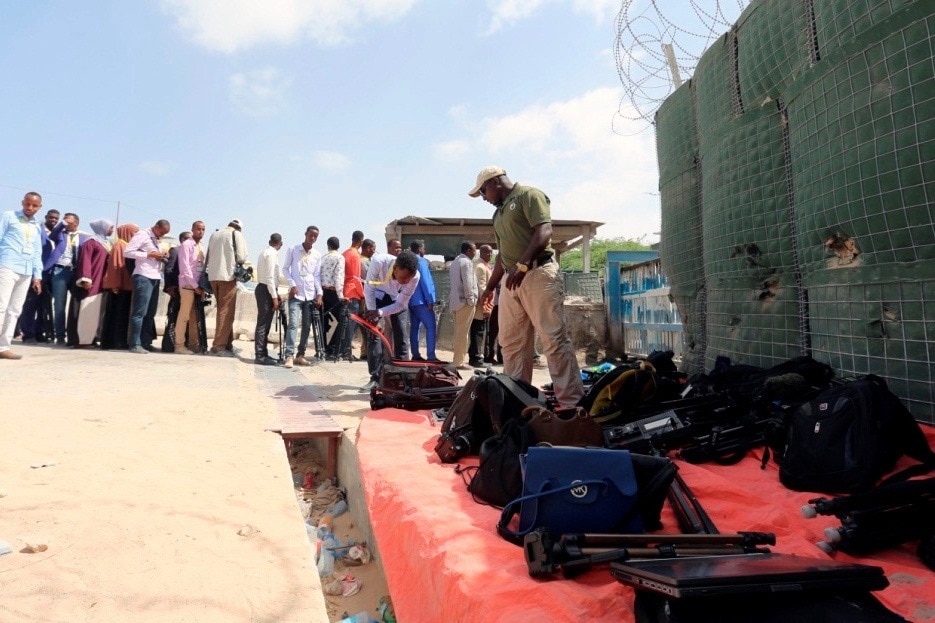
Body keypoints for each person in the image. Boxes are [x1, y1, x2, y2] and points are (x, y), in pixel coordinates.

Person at [470, 165, 584, 408]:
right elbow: (503, 256)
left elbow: (544, 232)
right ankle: (518, 401)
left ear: (495, 183)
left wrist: (522, 266)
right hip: (512, 280)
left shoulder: (529, 195)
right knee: (512, 343)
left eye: (483, 192)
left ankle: (572, 405)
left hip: (537, 274)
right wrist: (490, 288)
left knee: (553, 339)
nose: (484, 198)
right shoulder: (498, 215)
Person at [362, 249, 421, 390]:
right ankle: (375, 378)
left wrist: (381, 312)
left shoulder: (415, 277)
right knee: (374, 335)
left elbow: (400, 304)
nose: (406, 282)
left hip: (397, 300)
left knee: (401, 334)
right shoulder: (379, 262)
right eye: (404, 278)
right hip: (376, 296)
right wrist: (373, 314)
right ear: (395, 268)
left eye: (409, 279)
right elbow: (369, 289)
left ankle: (404, 379)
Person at [0, 192, 44, 360]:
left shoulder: (36, 226)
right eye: (27, 204)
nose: (30, 208)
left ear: (39, 207)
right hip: (7, 265)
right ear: (22, 203)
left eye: (34, 205)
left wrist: (37, 276)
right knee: (1, 306)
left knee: (14, 310)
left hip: (25, 271)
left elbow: (37, 252)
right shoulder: (9, 216)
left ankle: (3, 347)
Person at [124, 219, 171, 354]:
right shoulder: (142, 235)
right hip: (143, 276)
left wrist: (161, 255)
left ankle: (145, 342)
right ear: (156, 227)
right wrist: (148, 254)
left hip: (155, 277)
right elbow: (127, 252)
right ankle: (135, 344)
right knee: (139, 312)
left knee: (150, 313)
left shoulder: (155, 239)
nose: (161, 235)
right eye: (161, 232)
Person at [281, 225, 323, 368]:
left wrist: (320, 293)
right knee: (293, 323)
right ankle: (289, 356)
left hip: (310, 294)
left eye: (315, 236)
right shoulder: (293, 249)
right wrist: (292, 284)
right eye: (311, 235)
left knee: (307, 326)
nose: (312, 238)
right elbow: (285, 269)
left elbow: (316, 275)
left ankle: (301, 355)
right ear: (305, 234)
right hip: (296, 294)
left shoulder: (317, 255)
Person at [206, 219, 248, 356]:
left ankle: (228, 344)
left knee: (224, 311)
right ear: (239, 228)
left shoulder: (215, 234)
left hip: (213, 276)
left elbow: (208, 255)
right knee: (226, 312)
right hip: (227, 276)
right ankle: (218, 347)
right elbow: (241, 257)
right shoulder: (237, 234)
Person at [19, 208, 59, 343]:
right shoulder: (38, 230)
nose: (53, 220)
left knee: (44, 306)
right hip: (36, 273)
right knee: (31, 305)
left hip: (49, 275)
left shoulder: (59, 234)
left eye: (56, 219)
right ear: (46, 217)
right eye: (51, 217)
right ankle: (28, 333)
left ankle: (39, 332)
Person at [73, 219, 114, 347]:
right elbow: (85, 261)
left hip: (103, 282)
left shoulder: (107, 243)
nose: (112, 230)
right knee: (89, 310)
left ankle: (94, 337)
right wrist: (86, 279)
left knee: (98, 312)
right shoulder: (91, 243)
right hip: (93, 281)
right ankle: (84, 340)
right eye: (110, 227)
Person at [46, 212, 85, 345]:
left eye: (69, 221)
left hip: (76, 273)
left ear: (76, 223)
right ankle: (60, 336)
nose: (66, 223)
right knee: (59, 305)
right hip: (60, 271)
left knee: (75, 305)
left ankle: (74, 336)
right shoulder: (60, 234)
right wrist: (62, 224)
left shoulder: (84, 237)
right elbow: (52, 234)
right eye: (65, 221)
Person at [99, 223, 138, 350]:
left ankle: (121, 341)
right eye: (134, 232)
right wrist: (115, 284)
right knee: (117, 315)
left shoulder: (128, 246)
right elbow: (114, 267)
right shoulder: (119, 245)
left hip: (127, 285)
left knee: (123, 315)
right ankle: (116, 342)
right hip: (120, 287)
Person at [174, 220, 207, 354]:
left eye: (203, 229)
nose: (201, 232)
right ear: (193, 229)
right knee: (184, 316)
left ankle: (194, 345)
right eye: (198, 229)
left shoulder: (201, 246)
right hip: (188, 285)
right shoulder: (186, 245)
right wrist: (195, 286)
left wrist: (202, 286)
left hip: (198, 286)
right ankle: (179, 345)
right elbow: (185, 268)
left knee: (195, 318)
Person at [448, 240, 478, 371]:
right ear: (469, 251)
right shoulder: (467, 263)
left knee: (458, 332)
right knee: (463, 333)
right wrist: (471, 300)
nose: (475, 253)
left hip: (455, 302)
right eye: (474, 250)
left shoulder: (455, 262)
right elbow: (468, 284)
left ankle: (457, 359)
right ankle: (459, 362)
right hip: (464, 303)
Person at [254, 232, 283, 365]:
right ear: (280, 244)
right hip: (266, 289)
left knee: (264, 324)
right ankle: (260, 355)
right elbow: (270, 278)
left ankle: (263, 353)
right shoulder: (272, 254)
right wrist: (274, 298)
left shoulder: (264, 252)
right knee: (263, 324)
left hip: (263, 288)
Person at [407, 239, 438, 362]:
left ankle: (415, 355)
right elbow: (425, 281)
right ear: (419, 249)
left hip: (411, 300)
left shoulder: (409, 260)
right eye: (423, 249)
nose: (424, 251)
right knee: (431, 327)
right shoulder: (421, 261)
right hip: (422, 301)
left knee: (415, 328)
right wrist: (430, 299)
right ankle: (431, 356)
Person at [160, 231, 190, 352]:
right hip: (176, 289)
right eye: (188, 238)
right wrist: (170, 287)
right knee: (173, 317)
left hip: (186, 289)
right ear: (182, 239)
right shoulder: (176, 250)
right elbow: (169, 270)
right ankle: (169, 345)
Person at [338, 230, 365, 362]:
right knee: (350, 326)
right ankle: (346, 353)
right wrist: (363, 294)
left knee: (344, 324)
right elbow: (356, 278)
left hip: (344, 292)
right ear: (360, 241)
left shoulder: (344, 254)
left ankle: (343, 351)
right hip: (352, 292)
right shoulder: (355, 255)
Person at [319, 236, 345, 360]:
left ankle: (322, 348)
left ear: (328, 245)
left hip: (323, 292)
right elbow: (338, 276)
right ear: (338, 246)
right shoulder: (340, 258)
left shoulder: (323, 258)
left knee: (323, 321)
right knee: (339, 321)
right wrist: (341, 295)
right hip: (334, 293)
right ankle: (334, 349)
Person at [469, 244, 494, 367]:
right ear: (481, 253)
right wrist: (486, 307)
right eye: (487, 253)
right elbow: (482, 288)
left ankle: (475, 357)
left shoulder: (483, 265)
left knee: (477, 331)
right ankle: (476, 358)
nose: (489, 255)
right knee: (478, 331)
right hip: (480, 305)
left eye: (491, 253)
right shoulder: (480, 267)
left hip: (482, 304)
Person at [357, 238, 377, 360]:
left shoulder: (364, 260)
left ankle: (365, 351)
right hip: (365, 297)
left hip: (364, 296)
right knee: (366, 325)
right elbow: (368, 280)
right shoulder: (364, 262)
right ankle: (366, 351)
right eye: (373, 249)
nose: (374, 251)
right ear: (368, 248)